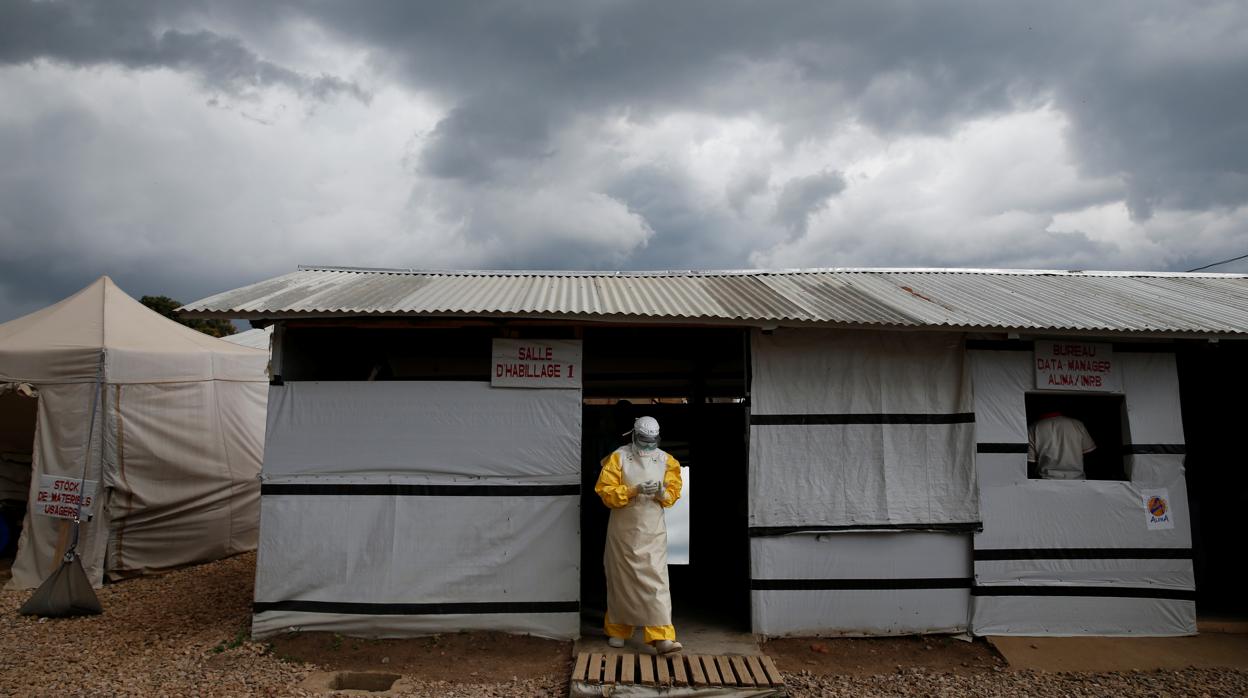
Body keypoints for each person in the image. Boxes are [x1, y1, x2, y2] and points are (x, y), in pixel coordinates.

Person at [594, 416, 683, 655]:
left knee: (656, 580)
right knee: (620, 580)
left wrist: (662, 492)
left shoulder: (666, 460)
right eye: (643, 440)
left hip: (652, 532)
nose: (647, 445)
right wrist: (633, 490)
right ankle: (618, 630)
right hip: (623, 533)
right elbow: (606, 492)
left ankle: (661, 635)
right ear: (633, 435)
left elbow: (673, 495)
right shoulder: (619, 458)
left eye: (652, 441)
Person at [1028, 410, 1096, 479]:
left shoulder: (1033, 428)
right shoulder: (1077, 424)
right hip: (1078, 480)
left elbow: (1030, 462)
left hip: (1046, 481)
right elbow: (1089, 453)